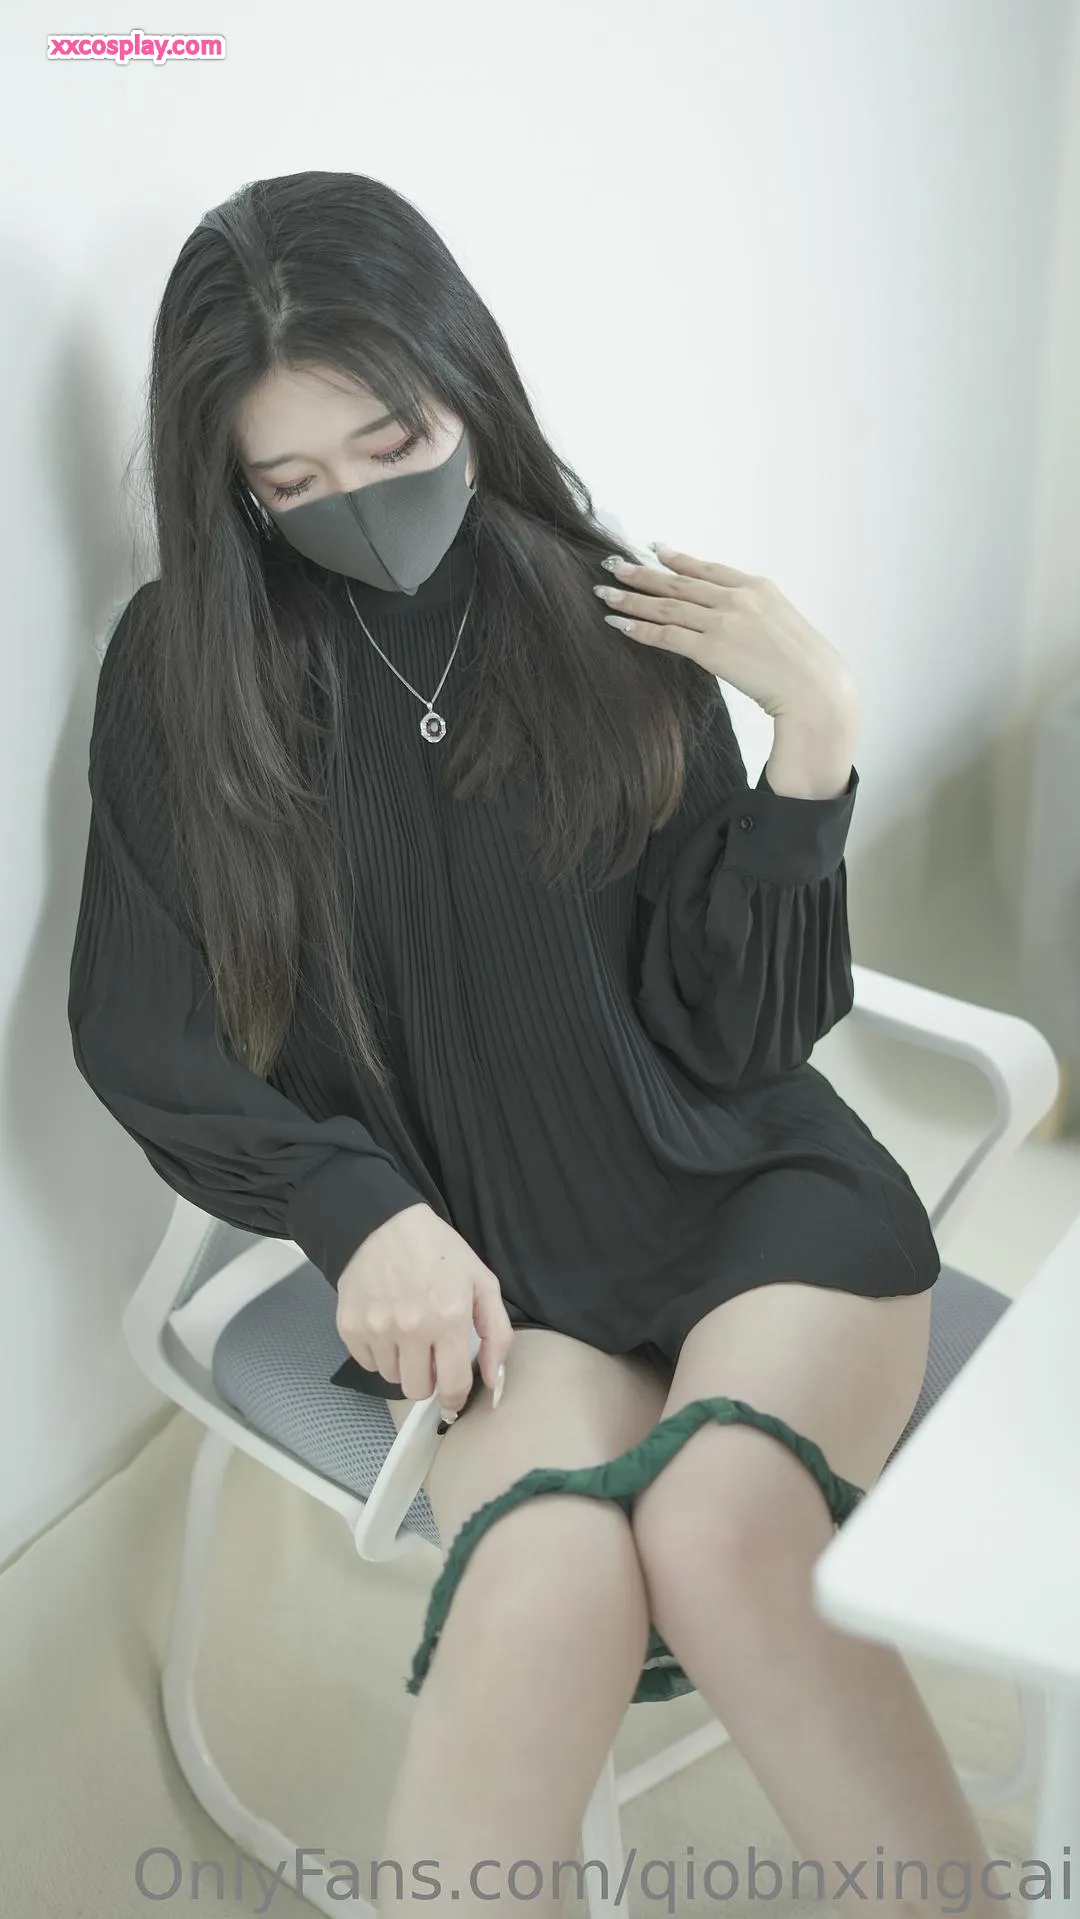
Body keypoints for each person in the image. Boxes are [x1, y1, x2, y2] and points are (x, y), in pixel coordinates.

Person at [68, 171, 1012, 1919]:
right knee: (554, 1572)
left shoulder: (608, 615)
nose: (357, 503)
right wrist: (358, 1209)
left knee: (725, 1528)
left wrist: (812, 738)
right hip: (491, 1276)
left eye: (391, 441)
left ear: (465, 381)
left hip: (756, 1206)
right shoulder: (183, 676)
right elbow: (143, 1031)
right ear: (233, 490)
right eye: (293, 485)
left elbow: (739, 1032)